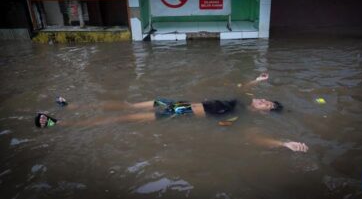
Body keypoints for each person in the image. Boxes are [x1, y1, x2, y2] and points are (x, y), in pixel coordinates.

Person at [34, 73, 309, 152]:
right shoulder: (241, 101)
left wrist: (282, 143)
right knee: (128, 106)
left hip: (177, 113)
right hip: (174, 103)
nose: (263, 101)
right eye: (266, 100)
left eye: (268, 105)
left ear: (264, 114)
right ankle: (71, 106)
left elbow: (254, 137)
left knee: (122, 118)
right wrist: (257, 81)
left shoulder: (245, 117)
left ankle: (62, 124)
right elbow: (245, 87)